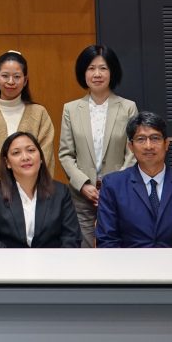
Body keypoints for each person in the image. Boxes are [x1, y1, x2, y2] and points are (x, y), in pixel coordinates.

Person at [58, 45, 138, 248]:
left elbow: (132, 152)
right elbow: (66, 154)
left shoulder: (128, 107)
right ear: (83, 73)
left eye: (103, 68)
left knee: (116, 248)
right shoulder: (71, 109)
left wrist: (113, 185)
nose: (97, 74)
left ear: (112, 72)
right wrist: (83, 185)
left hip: (119, 192)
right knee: (82, 251)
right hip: (82, 194)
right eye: (91, 68)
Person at [96, 112, 172, 248]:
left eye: (155, 138)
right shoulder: (113, 185)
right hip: (130, 267)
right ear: (131, 147)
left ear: (166, 143)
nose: (148, 146)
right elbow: (107, 241)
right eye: (141, 139)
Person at [0, 50, 55, 197]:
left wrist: (28, 190)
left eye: (17, 76)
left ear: (25, 80)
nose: (11, 81)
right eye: (5, 76)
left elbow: (45, 155)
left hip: (34, 196)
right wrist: (0, 193)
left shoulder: (39, 113)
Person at [0, 132, 80, 248]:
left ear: (40, 158)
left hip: (51, 264)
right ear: (7, 163)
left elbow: (71, 238)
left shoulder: (61, 192)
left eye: (31, 150)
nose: (25, 157)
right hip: (7, 264)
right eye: (16, 153)